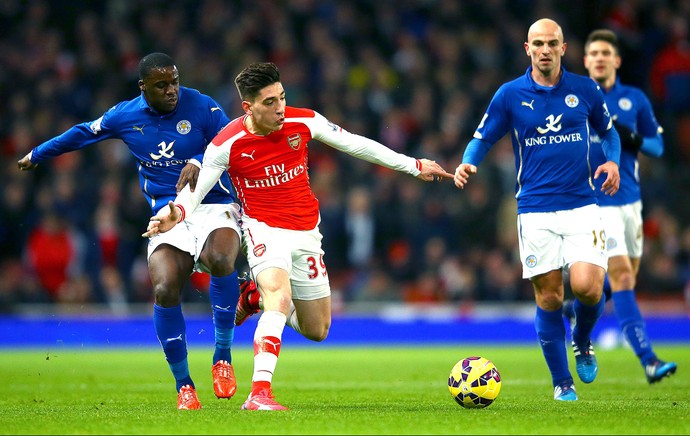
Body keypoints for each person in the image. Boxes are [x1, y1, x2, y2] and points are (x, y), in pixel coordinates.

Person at [143, 61, 454, 410]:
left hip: (306, 231)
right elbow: (196, 189)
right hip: (263, 229)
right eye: (270, 102)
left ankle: (253, 298)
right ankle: (260, 393)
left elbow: (355, 143)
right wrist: (176, 213)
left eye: (282, 97)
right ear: (248, 107)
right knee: (278, 293)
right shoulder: (227, 143)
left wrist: (412, 165)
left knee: (317, 329)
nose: (280, 108)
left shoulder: (302, 120)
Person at [18, 53, 245, 410]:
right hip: (167, 214)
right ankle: (184, 385)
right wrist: (38, 153)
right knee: (164, 287)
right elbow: (83, 133)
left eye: (174, 81)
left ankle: (223, 358)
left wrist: (199, 160)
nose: (172, 90)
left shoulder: (201, 104)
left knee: (220, 258)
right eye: (162, 85)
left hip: (213, 203)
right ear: (143, 88)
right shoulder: (125, 116)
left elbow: (232, 139)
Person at [453, 19, 621, 401]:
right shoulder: (510, 95)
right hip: (535, 209)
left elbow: (609, 132)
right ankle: (562, 383)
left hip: (581, 204)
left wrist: (611, 161)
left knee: (588, 288)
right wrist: (467, 161)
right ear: (526, 49)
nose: (545, 49)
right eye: (538, 44)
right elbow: (483, 135)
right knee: (548, 297)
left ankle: (581, 339)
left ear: (564, 48)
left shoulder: (585, 90)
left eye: (552, 43)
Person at [561, 29, 677, 384]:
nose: (598, 58)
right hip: (596, 203)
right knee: (623, 276)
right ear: (585, 61)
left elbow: (658, 148)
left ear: (616, 60)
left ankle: (578, 310)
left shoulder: (634, 99)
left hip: (631, 204)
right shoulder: (574, 97)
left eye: (604, 53)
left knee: (622, 278)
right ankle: (649, 360)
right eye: (592, 52)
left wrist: (633, 137)